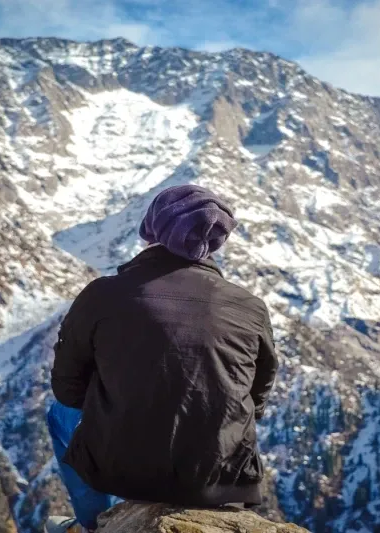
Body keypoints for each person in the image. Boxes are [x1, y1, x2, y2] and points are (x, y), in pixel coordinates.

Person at [46, 184, 278, 532]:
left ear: (151, 231)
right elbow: (255, 401)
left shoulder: (103, 294)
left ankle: (96, 523)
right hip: (220, 477)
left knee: (59, 414)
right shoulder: (250, 307)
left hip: (121, 470)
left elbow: (67, 390)